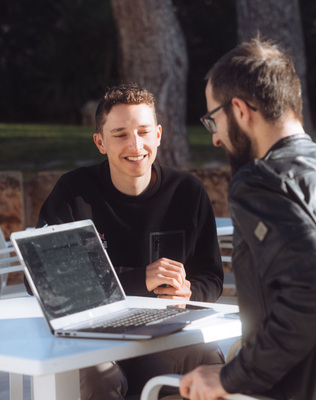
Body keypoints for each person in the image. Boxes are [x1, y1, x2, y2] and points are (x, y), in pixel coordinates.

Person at [179, 37, 316, 400]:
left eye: (212, 120)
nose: (216, 138)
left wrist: (232, 377)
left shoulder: (260, 182)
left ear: (239, 111)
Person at [31, 83, 224, 399]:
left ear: (158, 135)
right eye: (120, 134)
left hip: (161, 336)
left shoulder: (188, 192)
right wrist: (139, 279)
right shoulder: (73, 192)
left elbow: (211, 277)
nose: (136, 144)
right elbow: (43, 279)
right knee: (100, 379)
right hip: (92, 339)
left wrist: (189, 292)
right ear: (100, 142)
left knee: (208, 361)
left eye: (144, 132)